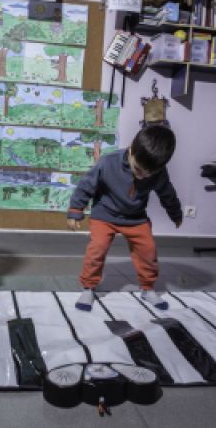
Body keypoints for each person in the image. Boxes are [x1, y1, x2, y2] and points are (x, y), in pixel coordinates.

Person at [67, 125, 183, 311]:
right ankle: (88, 287)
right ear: (131, 149)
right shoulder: (108, 162)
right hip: (104, 215)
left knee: (148, 250)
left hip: (136, 218)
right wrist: (75, 210)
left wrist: (175, 213)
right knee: (97, 249)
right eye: (138, 169)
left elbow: (167, 193)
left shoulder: (158, 173)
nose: (143, 176)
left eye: (148, 173)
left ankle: (147, 288)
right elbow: (86, 186)